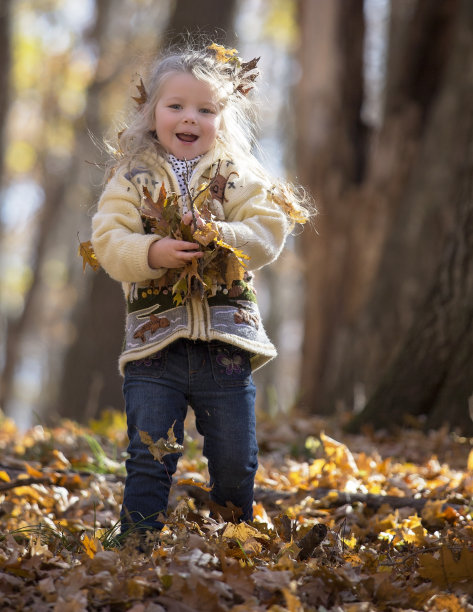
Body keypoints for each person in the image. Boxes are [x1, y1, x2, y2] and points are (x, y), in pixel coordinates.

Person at [91, 41, 312, 536]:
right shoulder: (134, 174)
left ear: (222, 118)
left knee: (236, 460)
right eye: (176, 106)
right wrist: (152, 252)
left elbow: (266, 231)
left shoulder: (237, 173)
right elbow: (108, 239)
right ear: (153, 115)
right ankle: (135, 547)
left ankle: (236, 542)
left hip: (226, 346)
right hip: (154, 347)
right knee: (150, 458)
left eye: (205, 109)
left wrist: (223, 236)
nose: (190, 117)